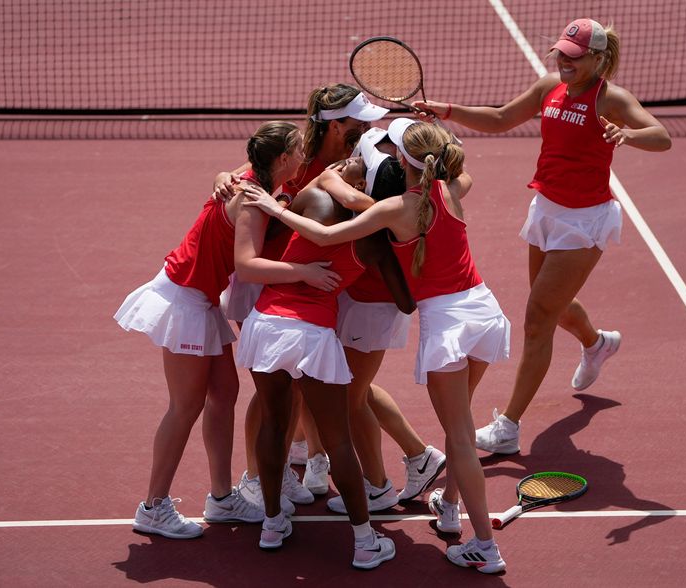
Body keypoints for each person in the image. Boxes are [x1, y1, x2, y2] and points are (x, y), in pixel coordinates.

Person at [243, 119, 509, 574]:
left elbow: (325, 235)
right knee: (459, 424)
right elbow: (460, 171)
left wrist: (275, 204)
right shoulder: (447, 190)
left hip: (441, 326)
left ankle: (484, 545)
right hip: (484, 312)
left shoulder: (390, 211)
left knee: (460, 435)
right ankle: (445, 505)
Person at [414, 18, 671, 454]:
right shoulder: (547, 87)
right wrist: (448, 112)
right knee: (548, 303)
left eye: (573, 57)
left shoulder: (610, 98)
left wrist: (628, 133)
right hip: (547, 209)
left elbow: (661, 137)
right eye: (561, 54)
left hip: (585, 220)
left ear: (596, 58)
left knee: (537, 320)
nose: (564, 62)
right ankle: (597, 343)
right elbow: (500, 119)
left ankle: (509, 427)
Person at [114, 121, 341, 539]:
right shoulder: (252, 202)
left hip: (199, 298)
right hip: (184, 298)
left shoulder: (251, 178)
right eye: (297, 150)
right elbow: (247, 266)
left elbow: (228, 181)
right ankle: (153, 506)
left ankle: (220, 498)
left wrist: (225, 177)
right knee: (185, 406)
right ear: (283, 160)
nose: (304, 155)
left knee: (224, 395)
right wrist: (303, 272)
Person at [234, 152, 412, 569]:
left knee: (274, 424)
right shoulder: (377, 241)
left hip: (268, 325)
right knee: (338, 441)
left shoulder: (312, 196)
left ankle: (273, 524)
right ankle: (366, 542)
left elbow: (287, 228)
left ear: (361, 182)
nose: (345, 161)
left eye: (355, 161)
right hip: (314, 334)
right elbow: (405, 303)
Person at [216, 84, 389, 503]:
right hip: (270, 279)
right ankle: (255, 477)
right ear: (336, 126)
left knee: (305, 384)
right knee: (274, 388)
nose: (369, 126)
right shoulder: (298, 157)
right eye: (360, 120)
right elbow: (240, 177)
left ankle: (305, 461)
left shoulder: (356, 163)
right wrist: (223, 177)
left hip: (316, 284)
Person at [324, 128, 446, 515]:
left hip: (370, 308)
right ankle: (419, 455)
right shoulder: (412, 196)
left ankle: (376, 487)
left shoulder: (374, 221)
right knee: (360, 387)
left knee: (350, 398)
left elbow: (327, 231)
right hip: (370, 306)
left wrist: (328, 176)